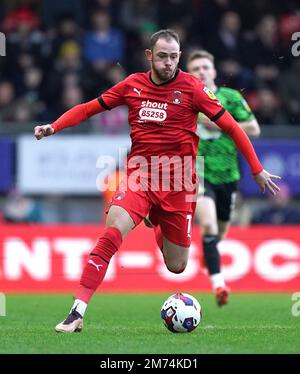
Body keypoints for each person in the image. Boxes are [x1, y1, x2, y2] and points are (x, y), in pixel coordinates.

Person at [34, 29, 280, 333]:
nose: (168, 63)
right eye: (162, 56)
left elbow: (233, 128)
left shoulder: (193, 88)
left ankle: (159, 222)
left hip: (179, 184)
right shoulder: (132, 85)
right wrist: (53, 127)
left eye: (174, 57)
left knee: (177, 266)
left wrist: (256, 169)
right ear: (150, 56)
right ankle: (77, 311)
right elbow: (88, 109)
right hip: (140, 176)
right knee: (112, 233)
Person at [186, 49, 261, 306]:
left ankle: (209, 251)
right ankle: (219, 284)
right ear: (189, 74)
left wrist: (217, 123)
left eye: (205, 67)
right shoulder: (185, 100)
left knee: (219, 233)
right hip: (198, 172)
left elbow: (254, 128)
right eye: (195, 69)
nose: (202, 72)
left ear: (214, 71)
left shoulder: (230, 97)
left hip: (228, 174)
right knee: (208, 226)